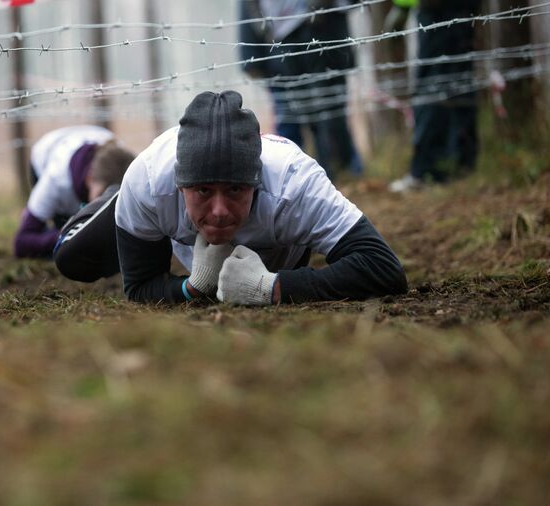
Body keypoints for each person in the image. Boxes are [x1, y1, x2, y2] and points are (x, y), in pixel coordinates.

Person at [55, 90, 407, 305]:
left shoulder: (295, 184)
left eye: (236, 190)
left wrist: (273, 286)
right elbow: (140, 287)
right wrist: (193, 288)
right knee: (72, 258)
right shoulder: (148, 182)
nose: (220, 211)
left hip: (277, 250)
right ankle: (115, 204)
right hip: (151, 204)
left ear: (256, 181)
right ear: (181, 186)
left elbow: (383, 268)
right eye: (203, 191)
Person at [238, 0, 364, 179]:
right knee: (292, 118)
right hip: (284, 42)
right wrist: (250, 55)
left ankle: (339, 171)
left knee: (330, 113)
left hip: (327, 29)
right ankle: (295, 177)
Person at [387, 0, 481, 191]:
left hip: (438, 8)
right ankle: (460, 164)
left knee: (434, 84)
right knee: (454, 79)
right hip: (447, 8)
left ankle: (428, 170)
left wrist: (402, 6)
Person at [13, 125, 135, 258]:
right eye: (102, 196)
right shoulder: (55, 180)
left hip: (94, 137)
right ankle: (33, 213)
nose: (107, 203)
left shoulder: (125, 164)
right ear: (89, 178)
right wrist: (70, 236)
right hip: (47, 153)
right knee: (65, 239)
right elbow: (21, 243)